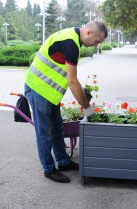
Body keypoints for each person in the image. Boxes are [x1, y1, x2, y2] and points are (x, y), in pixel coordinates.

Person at [25, 21, 107, 183]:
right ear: (89, 32)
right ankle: (49, 169)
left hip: (50, 93)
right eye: (97, 41)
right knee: (45, 133)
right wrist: (86, 107)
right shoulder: (71, 44)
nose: (96, 45)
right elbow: (72, 82)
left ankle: (63, 161)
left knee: (57, 128)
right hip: (38, 90)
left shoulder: (73, 38)